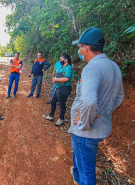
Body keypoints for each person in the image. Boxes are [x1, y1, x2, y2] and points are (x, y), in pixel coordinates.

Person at [68, 27, 124, 185]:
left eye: (79, 47)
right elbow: (119, 96)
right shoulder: (113, 66)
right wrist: (105, 111)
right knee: (82, 163)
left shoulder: (92, 68)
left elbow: (90, 101)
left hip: (85, 133)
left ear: (86, 48)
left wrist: (85, 122)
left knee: (87, 171)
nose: (79, 50)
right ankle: (77, 177)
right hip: (101, 127)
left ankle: (80, 179)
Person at [44, 53, 73, 126]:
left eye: (61, 59)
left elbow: (66, 78)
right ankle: (51, 116)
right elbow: (58, 75)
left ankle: (61, 119)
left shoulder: (69, 67)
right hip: (58, 87)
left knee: (61, 103)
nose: (60, 61)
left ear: (66, 60)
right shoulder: (61, 67)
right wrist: (55, 79)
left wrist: (56, 79)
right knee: (53, 101)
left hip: (64, 88)